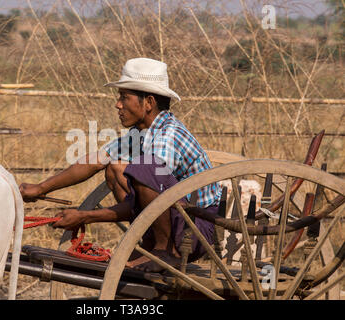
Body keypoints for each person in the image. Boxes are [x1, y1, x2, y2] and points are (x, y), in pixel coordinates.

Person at [19, 57, 221, 272]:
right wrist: (41, 188)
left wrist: (85, 216)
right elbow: (96, 160)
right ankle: (153, 244)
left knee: (145, 169)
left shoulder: (167, 136)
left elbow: (152, 198)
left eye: (124, 98)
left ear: (149, 103)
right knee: (115, 168)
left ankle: (164, 251)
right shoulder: (141, 134)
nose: (118, 104)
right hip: (175, 219)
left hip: (196, 230)